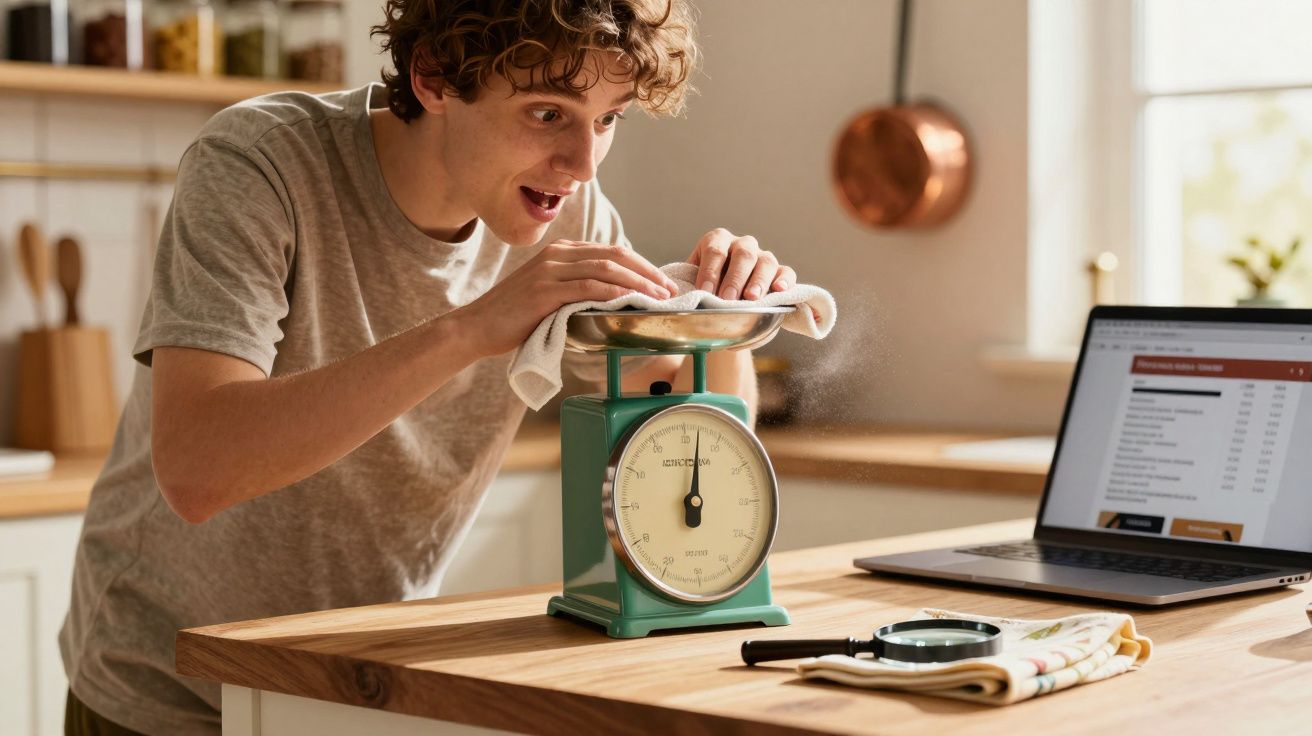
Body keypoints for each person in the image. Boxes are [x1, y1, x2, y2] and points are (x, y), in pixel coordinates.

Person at [59, 1, 797, 733]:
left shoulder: (568, 214)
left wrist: (718, 325)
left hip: (364, 678)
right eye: (549, 114)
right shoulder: (261, 162)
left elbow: (677, 434)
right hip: (168, 689)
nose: (583, 162)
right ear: (436, 78)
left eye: (609, 118)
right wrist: (475, 327)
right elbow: (197, 467)